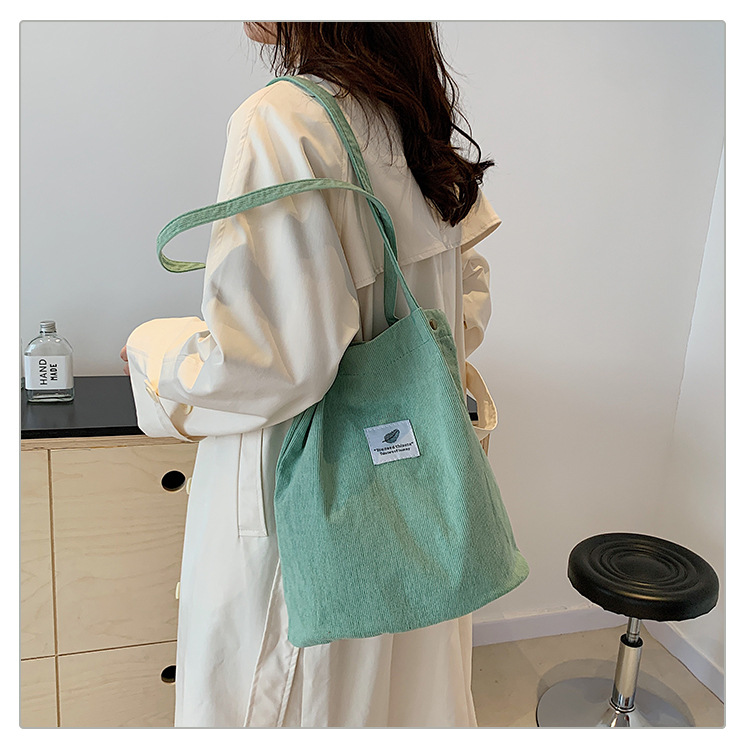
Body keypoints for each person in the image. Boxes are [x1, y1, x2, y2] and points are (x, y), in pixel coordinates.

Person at [120, 21, 501, 728]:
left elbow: (267, 365)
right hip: (415, 497)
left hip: (301, 511)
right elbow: (463, 308)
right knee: (401, 699)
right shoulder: (415, 118)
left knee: (285, 702)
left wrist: (153, 354)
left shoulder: (285, 120)